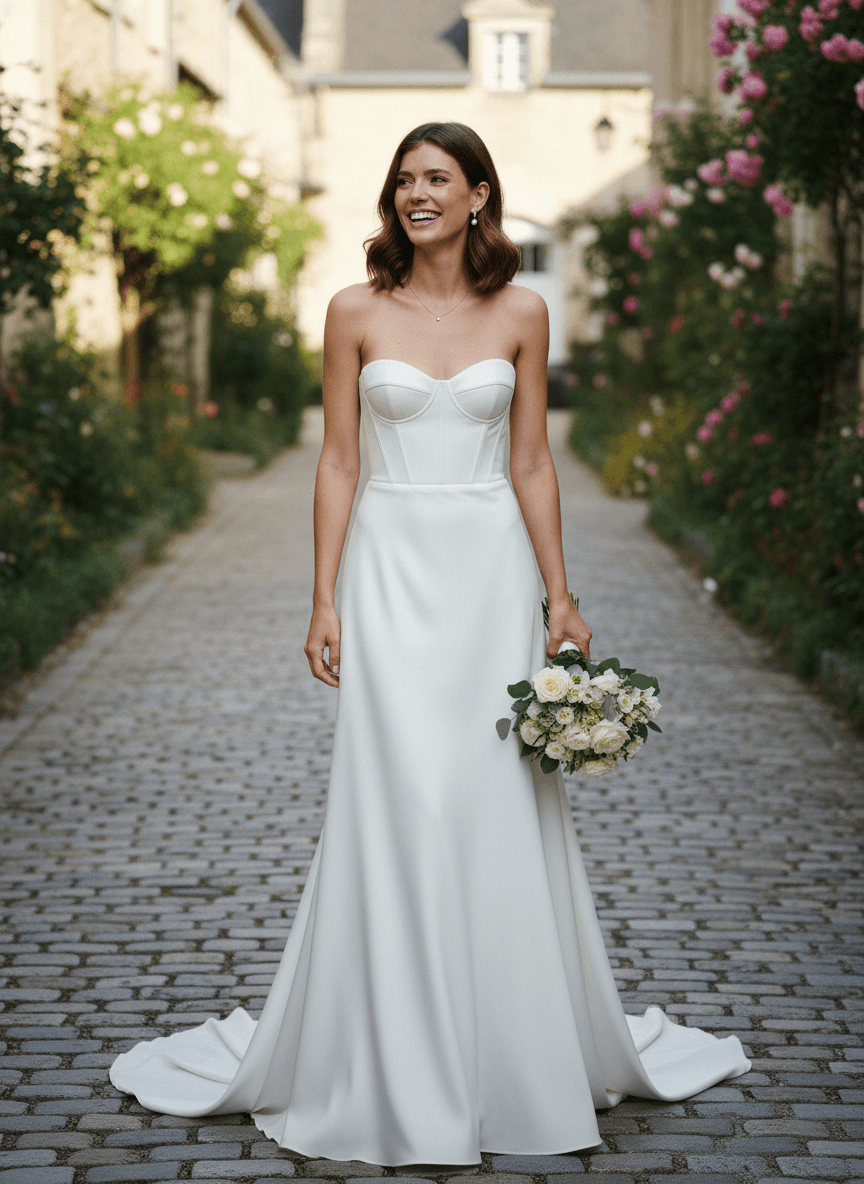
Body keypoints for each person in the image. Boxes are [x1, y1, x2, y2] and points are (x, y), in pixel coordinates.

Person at [110, 122, 750, 1166]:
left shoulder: (525, 310)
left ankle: (507, 1054)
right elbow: (336, 461)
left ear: (479, 197)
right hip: (392, 573)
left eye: (438, 179)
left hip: (491, 576)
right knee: (398, 796)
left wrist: (561, 596)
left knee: (492, 798)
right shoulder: (355, 310)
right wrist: (323, 596)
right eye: (404, 179)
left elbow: (535, 461)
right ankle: (393, 1056)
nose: (417, 194)